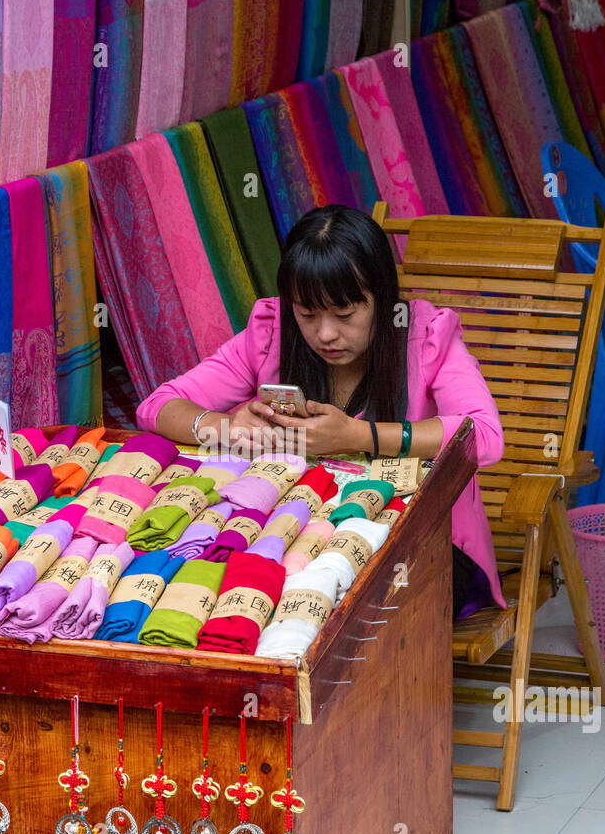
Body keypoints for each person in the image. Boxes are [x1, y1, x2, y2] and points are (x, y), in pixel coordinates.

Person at [137, 205, 506, 617]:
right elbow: (157, 407)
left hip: (417, 545)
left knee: (326, 599)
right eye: (308, 314)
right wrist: (225, 425)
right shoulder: (272, 331)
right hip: (298, 533)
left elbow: (485, 436)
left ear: (383, 299)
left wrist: (359, 437)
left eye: (346, 314)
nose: (326, 334)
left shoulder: (427, 336)